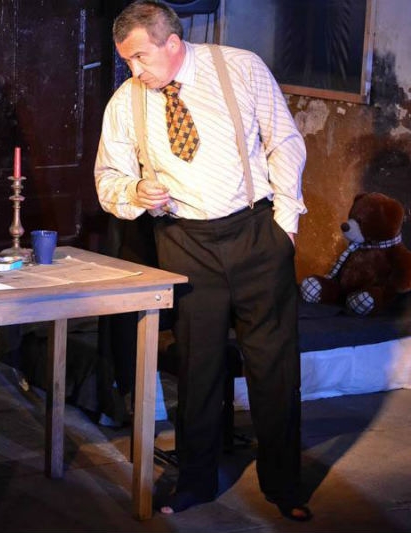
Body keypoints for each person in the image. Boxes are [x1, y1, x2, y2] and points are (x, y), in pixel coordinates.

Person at [94, 1, 311, 521]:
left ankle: (284, 484)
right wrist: (136, 191)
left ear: (172, 42)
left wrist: (285, 225)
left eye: (141, 57)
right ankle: (194, 482)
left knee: (274, 365)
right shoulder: (127, 100)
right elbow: (108, 178)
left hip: (255, 232)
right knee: (198, 366)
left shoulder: (239, 67)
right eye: (127, 61)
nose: (135, 70)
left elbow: (283, 141)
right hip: (185, 240)